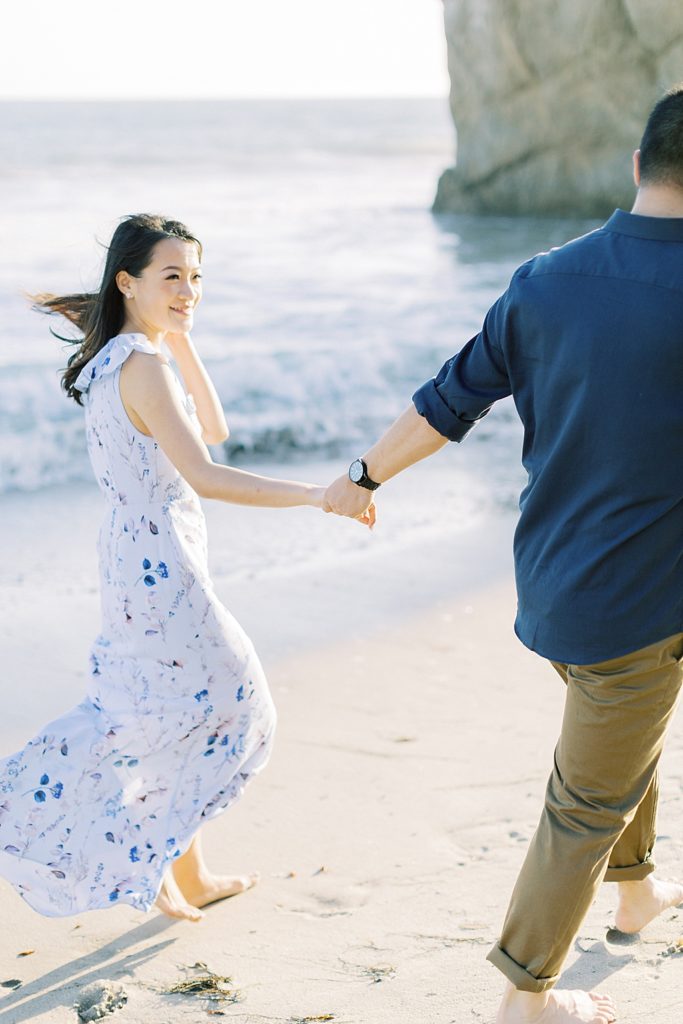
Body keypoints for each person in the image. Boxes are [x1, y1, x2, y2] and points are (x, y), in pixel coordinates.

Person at [323, 86, 683, 1024]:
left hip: (553, 585)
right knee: (584, 795)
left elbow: (448, 401)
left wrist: (362, 476)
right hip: (641, 602)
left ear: (637, 167)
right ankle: (525, 994)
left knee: (616, 729)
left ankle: (636, 892)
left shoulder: (541, 280)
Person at [0, 212, 374, 924]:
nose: (189, 290)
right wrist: (319, 497)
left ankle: (188, 874)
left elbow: (215, 424)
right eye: (172, 276)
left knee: (172, 715)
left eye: (196, 277)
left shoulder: (128, 355)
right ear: (127, 281)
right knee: (235, 707)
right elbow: (207, 472)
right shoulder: (140, 366)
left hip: (134, 561)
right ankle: (136, 854)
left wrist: (178, 334)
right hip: (160, 572)